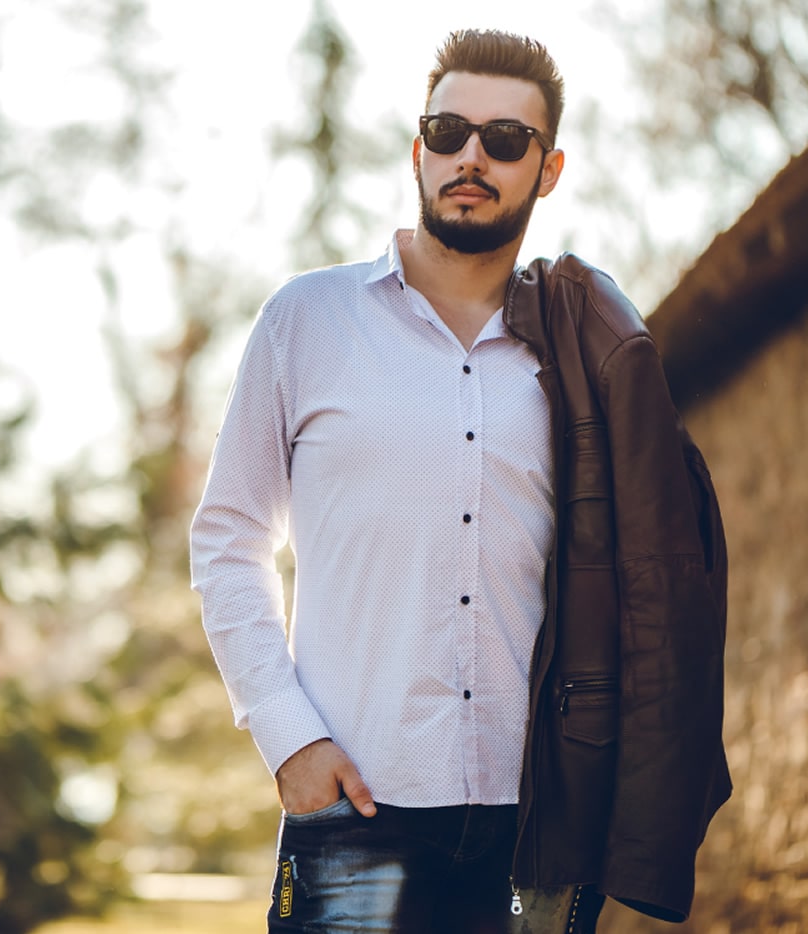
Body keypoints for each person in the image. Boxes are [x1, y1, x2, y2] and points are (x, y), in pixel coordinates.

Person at [190, 28, 730, 934]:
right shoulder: (304, 322)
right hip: (352, 812)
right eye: (448, 131)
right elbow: (226, 539)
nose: (471, 156)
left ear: (547, 170)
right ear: (418, 151)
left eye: (506, 141)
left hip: (538, 832)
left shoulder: (575, 352)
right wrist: (289, 735)